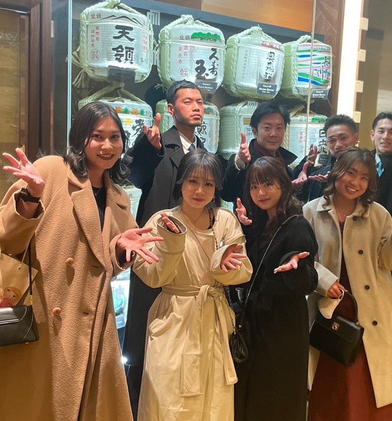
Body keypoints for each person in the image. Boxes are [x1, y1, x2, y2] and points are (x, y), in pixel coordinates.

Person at [0, 102, 162, 420]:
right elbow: (4, 240)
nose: (107, 145)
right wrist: (31, 198)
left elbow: (102, 264)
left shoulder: (119, 198)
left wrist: (119, 251)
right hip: (39, 315)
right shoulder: (51, 171)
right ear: (80, 138)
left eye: (115, 137)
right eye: (97, 136)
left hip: (89, 324)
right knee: (29, 406)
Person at [304, 147, 392, 420]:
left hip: (370, 310)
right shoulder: (311, 211)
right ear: (337, 172)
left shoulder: (379, 214)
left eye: (364, 177)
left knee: (367, 380)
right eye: (350, 173)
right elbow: (303, 259)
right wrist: (324, 281)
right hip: (329, 307)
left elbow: (388, 261)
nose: (356, 182)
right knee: (331, 379)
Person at [133, 149, 252, 420]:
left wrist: (222, 266)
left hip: (214, 322)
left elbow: (244, 271)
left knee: (213, 403)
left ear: (216, 187)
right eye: (193, 181)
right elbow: (153, 277)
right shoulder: (162, 220)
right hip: (173, 319)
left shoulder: (225, 220)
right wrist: (172, 244)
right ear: (181, 182)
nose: (200, 190)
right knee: (167, 398)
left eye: (208, 183)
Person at [122, 80, 206, 411]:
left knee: (180, 335)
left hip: (190, 255)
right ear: (171, 109)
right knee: (145, 330)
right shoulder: (158, 143)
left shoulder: (203, 151)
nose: (196, 107)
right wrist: (147, 147)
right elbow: (134, 175)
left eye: (199, 101)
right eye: (188, 101)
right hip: (154, 249)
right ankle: (135, 406)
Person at [232, 157, 318, 421]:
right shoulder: (259, 223)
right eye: (254, 186)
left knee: (278, 394)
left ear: (284, 184)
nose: (261, 192)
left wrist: (295, 267)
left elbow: (309, 280)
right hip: (255, 321)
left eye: (268, 184)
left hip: (283, 324)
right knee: (253, 393)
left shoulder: (297, 224)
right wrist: (243, 230)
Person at [221, 102, 296, 205]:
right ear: (255, 132)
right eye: (267, 128)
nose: (274, 134)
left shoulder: (282, 160)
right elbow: (227, 194)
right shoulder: (244, 161)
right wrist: (240, 163)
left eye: (279, 128)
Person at [293, 114, 360, 202]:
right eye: (332, 140)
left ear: (356, 138)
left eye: (343, 138)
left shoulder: (367, 171)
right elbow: (305, 203)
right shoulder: (319, 176)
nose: (338, 145)